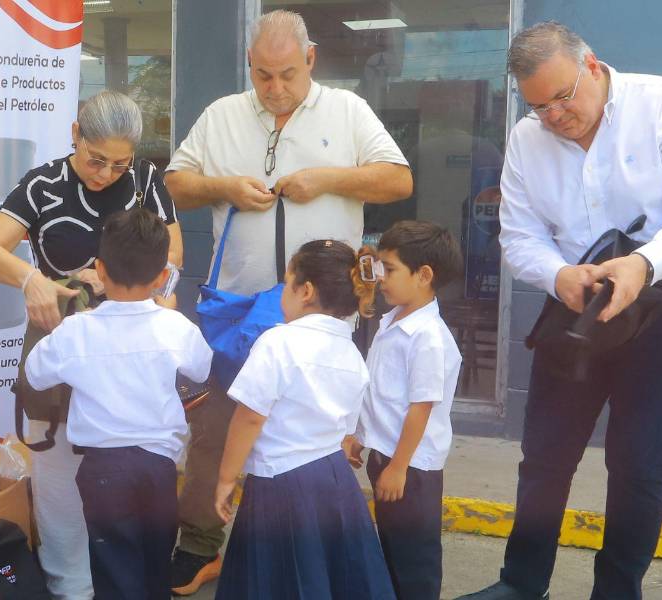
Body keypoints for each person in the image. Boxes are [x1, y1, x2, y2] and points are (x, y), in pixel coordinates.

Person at [457, 22, 662, 600]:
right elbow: (519, 236)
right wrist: (558, 275)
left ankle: (617, 591)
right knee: (545, 454)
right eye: (539, 106)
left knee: (638, 462)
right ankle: (521, 583)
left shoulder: (661, 103)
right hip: (579, 308)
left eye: (564, 97)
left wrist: (645, 263)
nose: (555, 115)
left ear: (592, 65)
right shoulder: (527, 139)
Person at [164, 9, 412, 594]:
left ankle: (318, 548)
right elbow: (176, 182)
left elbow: (398, 180)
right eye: (261, 75)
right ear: (249, 67)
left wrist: (327, 178)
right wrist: (223, 187)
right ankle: (201, 543)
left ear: (311, 62)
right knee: (220, 425)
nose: (274, 89)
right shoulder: (221, 115)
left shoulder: (347, 111)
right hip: (239, 311)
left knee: (316, 432)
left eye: (286, 75)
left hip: (322, 309)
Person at [0, 90, 182, 600]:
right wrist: (32, 280)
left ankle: (133, 578)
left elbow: (173, 254)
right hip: (60, 338)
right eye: (96, 159)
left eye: (119, 163)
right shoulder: (45, 184)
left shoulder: (146, 180)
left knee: (132, 460)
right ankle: (71, 585)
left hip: (131, 340)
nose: (107, 173)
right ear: (75, 135)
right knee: (58, 468)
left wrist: (150, 285)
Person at [24, 209, 211, 599]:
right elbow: (201, 367)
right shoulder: (175, 327)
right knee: (155, 566)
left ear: (100, 270)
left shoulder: (77, 330)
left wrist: (68, 329)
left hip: (102, 470)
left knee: (114, 573)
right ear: (163, 277)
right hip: (159, 466)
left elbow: (36, 374)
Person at [212, 239, 395, 600]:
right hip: (335, 482)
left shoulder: (278, 341)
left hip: (282, 483)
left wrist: (225, 478)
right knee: (328, 579)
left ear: (306, 290)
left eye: (286, 282)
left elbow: (249, 417)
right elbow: (345, 431)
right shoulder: (351, 352)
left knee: (279, 582)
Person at [344, 221, 463, 600]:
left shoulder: (427, 337)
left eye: (390, 269)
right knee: (392, 551)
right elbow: (378, 391)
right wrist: (360, 436)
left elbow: (421, 407)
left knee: (415, 562)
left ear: (424, 275)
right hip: (390, 459)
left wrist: (397, 467)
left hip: (412, 469)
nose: (380, 279)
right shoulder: (392, 321)